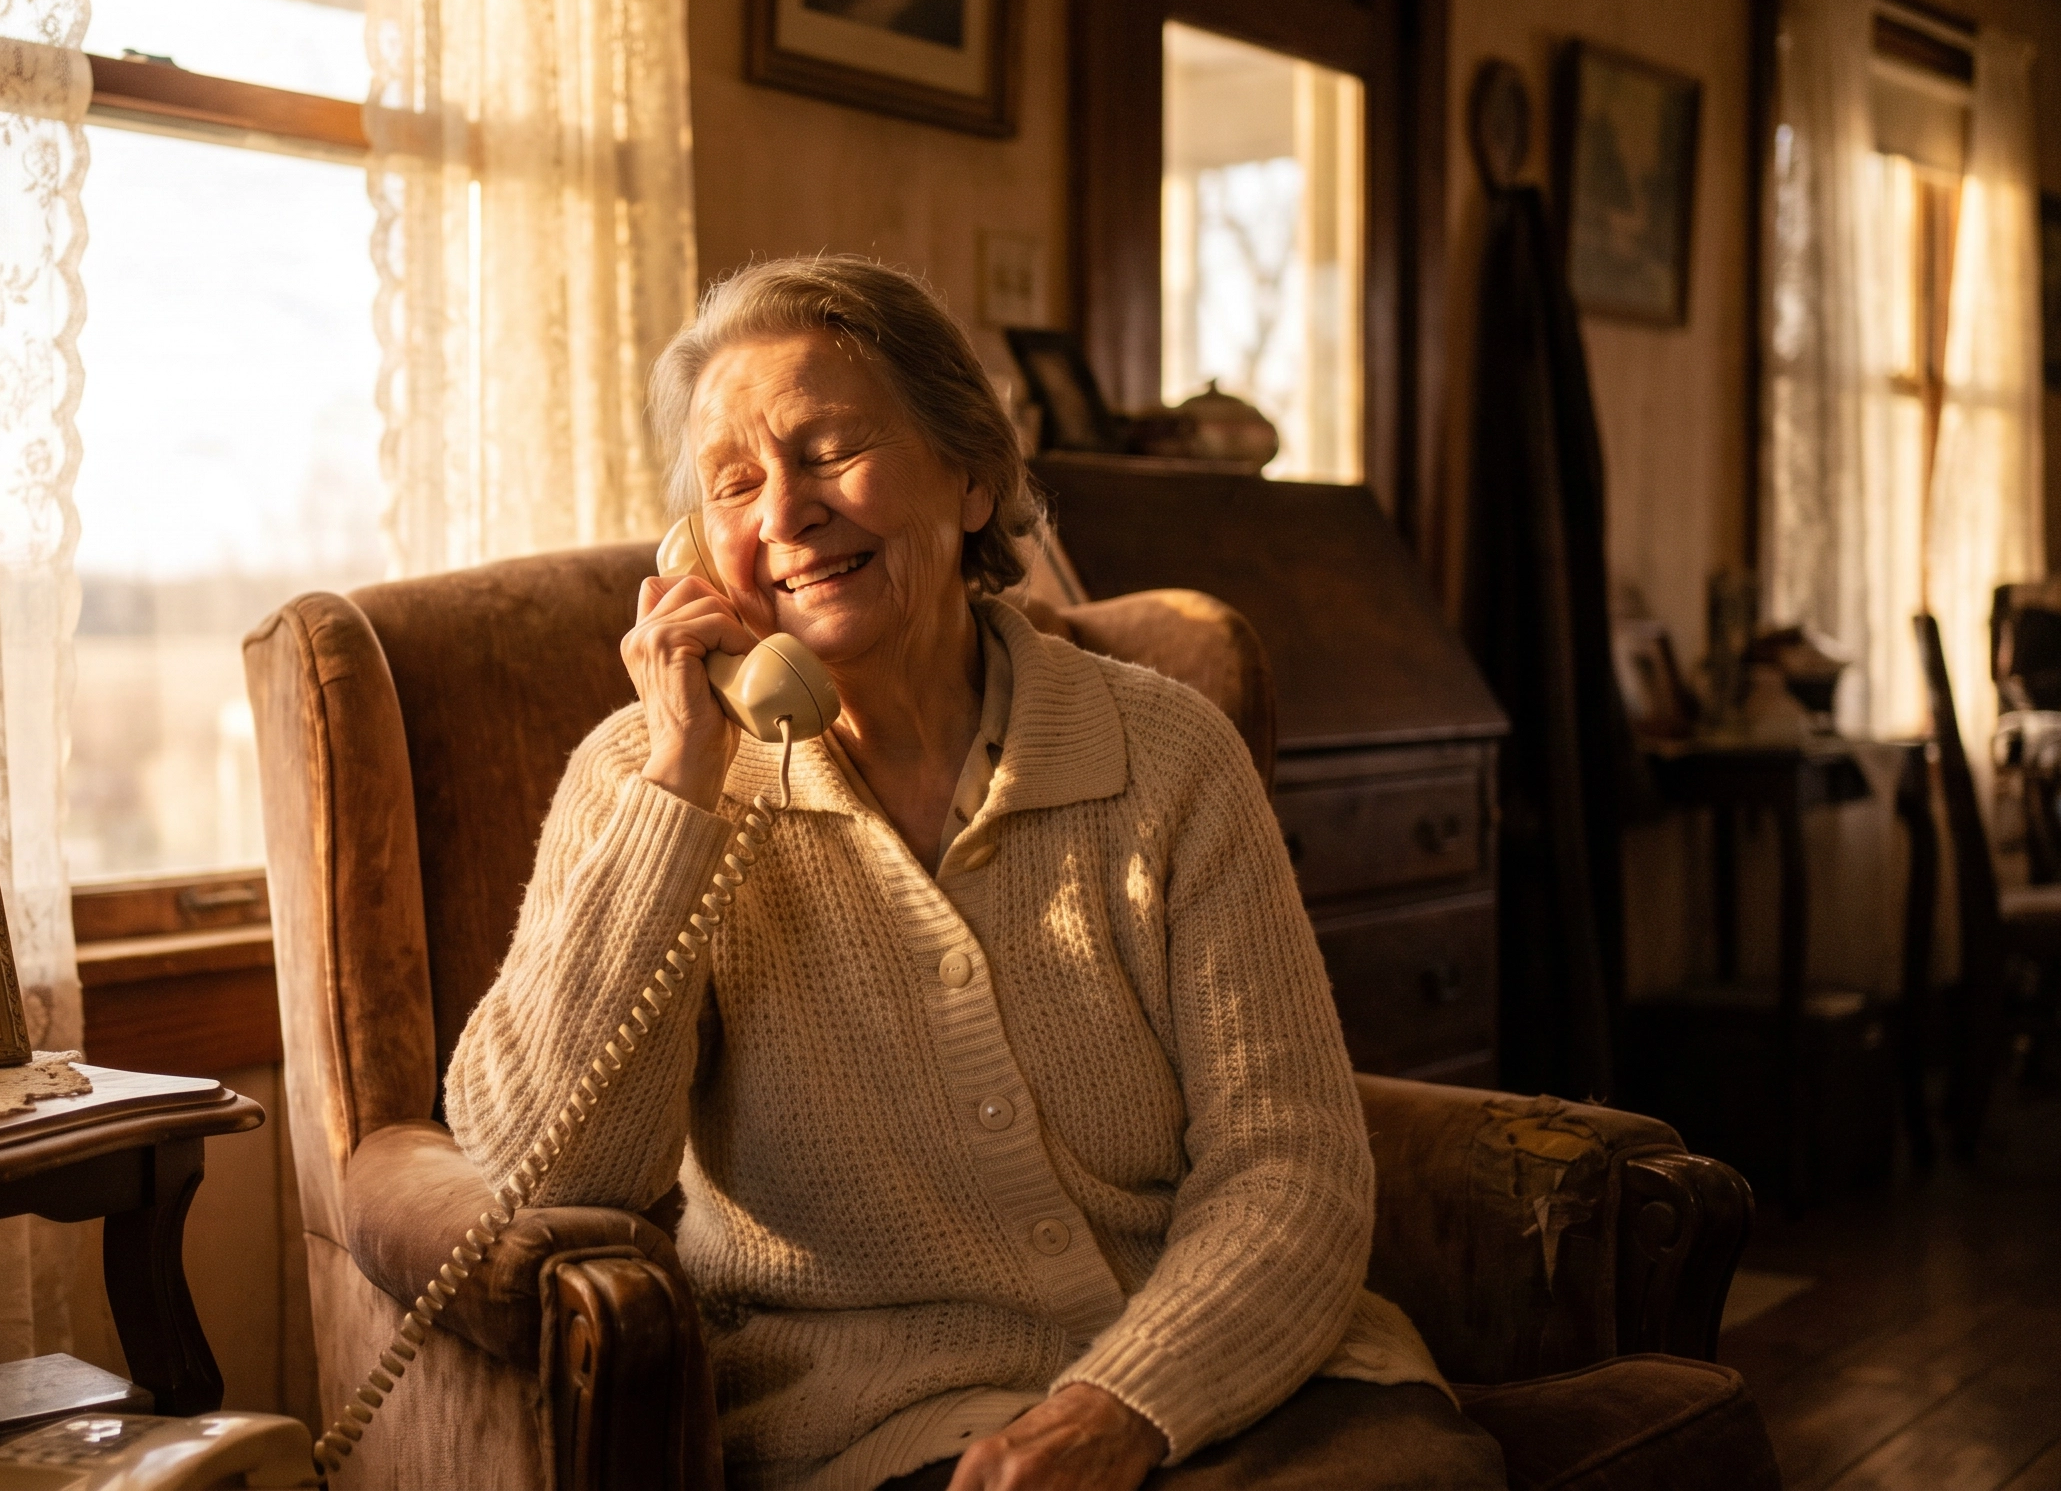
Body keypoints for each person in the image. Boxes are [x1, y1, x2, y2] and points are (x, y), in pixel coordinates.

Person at [444, 256, 1505, 1491]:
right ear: (696, 548)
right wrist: (681, 780)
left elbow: (1291, 1158)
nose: (784, 514)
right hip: (881, 1429)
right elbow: (545, 1169)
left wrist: (1124, 1403)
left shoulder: (1164, 754)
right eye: (735, 484)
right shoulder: (651, 781)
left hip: (1238, 1384)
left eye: (830, 450)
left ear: (973, 476)